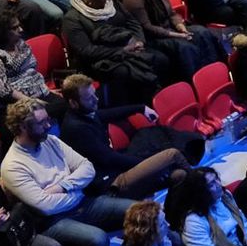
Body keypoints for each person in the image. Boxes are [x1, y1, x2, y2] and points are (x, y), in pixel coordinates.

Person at [0, 98, 134, 246]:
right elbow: (45, 206)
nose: (48, 125)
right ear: (22, 127)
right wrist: (77, 191)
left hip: (82, 203)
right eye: (41, 123)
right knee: (97, 239)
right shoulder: (12, 165)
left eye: (48, 120)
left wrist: (63, 186)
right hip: (51, 222)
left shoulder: (51, 141)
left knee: (136, 212)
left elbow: (87, 168)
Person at [59, 73, 192, 197]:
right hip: (109, 183)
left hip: (115, 169)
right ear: (73, 103)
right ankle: (199, 180)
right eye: (89, 98)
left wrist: (141, 108)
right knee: (172, 154)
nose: (96, 99)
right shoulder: (76, 128)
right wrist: (150, 164)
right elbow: (109, 159)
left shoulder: (84, 114)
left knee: (178, 175)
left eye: (95, 94)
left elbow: (110, 113)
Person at [62, 0, 167, 104]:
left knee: (160, 59)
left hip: (130, 47)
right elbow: (86, 51)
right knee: (127, 73)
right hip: (101, 61)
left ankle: (158, 102)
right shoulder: (73, 19)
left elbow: (132, 22)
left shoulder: (112, 3)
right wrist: (123, 50)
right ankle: (138, 108)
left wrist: (138, 40)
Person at [120, 0, 225, 76]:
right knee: (185, 47)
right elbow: (147, 27)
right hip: (153, 38)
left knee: (202, 32)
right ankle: (195, 78)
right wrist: (177, 35)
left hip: (170, 28)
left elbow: (172, 14)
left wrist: (180, 26)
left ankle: (214, 71)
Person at [0, 9, 66, 115]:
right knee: (59, 108)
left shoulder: (21, 44)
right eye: (15, 28)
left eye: (19, 25)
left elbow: (31, 73)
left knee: (65, 104)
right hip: (16, 102)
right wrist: (32, 102)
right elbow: (3, 90)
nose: (21, 30)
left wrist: (45, 90)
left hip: (36, 92)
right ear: (1, 31)